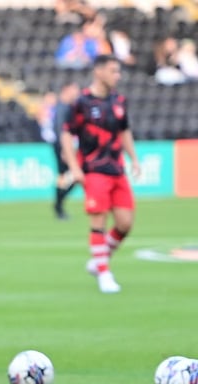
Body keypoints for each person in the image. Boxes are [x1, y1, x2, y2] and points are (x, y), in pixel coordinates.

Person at [60, 55, 140, 294]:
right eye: (114, 71)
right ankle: (104, 273)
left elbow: (124, 131)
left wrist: (134, 158)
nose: (118, 76)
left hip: (117, 169)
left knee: (125, 223)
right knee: (98, 222)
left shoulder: (119, 101)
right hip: (94, 170)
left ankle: (99, 260)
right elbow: (66, 133)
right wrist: (74, 167)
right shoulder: (82, 102)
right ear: (99, 72)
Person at [49, 81, 80, 220]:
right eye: (75, 89)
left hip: (64, 146)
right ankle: (58, 205)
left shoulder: (66, 106)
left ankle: (58, 205)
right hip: (63, 147)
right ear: (66, 89)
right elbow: (60, 129)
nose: (77, 93)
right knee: (72, 176)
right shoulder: (62, 107)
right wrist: (65, 150)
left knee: (66, 177)